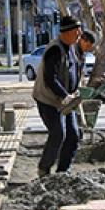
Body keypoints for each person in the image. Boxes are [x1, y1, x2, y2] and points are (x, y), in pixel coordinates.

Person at [33, 15, 85, 177]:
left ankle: (63, 171)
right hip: (49, 99)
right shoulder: (55, 49)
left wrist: (74, 91)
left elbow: (73, 71)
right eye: (77, 31)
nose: (79, 34)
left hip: (66, 100)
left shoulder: (72, 47)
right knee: (58, 133)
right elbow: (50, 78)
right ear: (67, 32)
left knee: (73, 135)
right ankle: (44, 169)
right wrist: (64, 95)